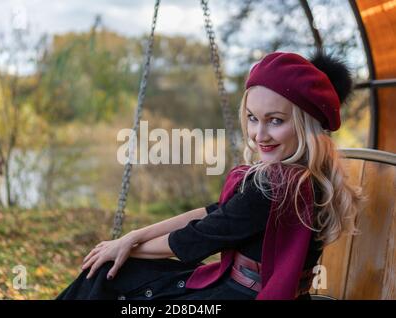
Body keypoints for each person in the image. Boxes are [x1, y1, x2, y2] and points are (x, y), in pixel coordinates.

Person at [56, 51, 363, 300]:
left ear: (307, 125)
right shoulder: (308, 176)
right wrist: (131, 238)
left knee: (110, 273)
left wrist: (122, 249)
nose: (259, 134)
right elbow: (213, 213)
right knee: (119, 269)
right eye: (253, 119)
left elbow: (198, 238)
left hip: (241, 294)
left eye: (276, 121)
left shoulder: (277, 186)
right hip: (244, 287)